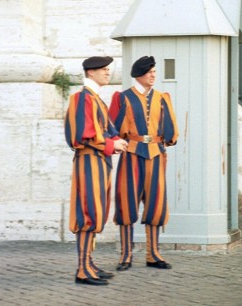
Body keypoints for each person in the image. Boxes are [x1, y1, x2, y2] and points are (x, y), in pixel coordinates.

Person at [108, 55, 179, 271]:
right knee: (127, 202)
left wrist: (168, 139)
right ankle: (126, 256)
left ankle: (153, 254)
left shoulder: (162, 98)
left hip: (156, 154)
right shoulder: (123, 97)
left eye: (154, 72)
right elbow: (112, 128)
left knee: (156, 204)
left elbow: (171, 131)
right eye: (149, 72)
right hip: (131, 154)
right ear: (139, 74)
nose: (153, 76)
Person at [64, 56, 128, 286]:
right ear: (90, 72)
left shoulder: (96, 99)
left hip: (99, 161)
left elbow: (108, 130)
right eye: (102, 69)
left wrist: (116, 141)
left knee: (96, 212)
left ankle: (88, 263)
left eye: (107, 69)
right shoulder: (83, 99)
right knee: (88, 213)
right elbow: (82, 135)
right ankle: (82, 269)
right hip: (89, 161)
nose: (107, 72)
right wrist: (112, 144)